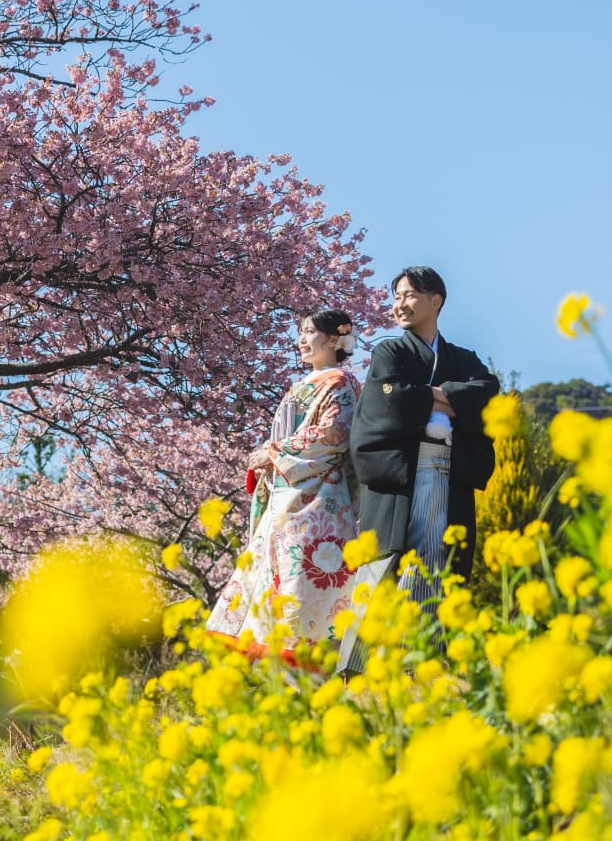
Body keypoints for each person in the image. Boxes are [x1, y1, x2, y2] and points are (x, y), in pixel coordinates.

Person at [206, 309, 361, 662]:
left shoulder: (340, 382)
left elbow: (333, 436)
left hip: (318, 496)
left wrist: (273, 451)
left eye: (310, 332)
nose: (302, 340)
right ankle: (272, 664)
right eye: (301, 332)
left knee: (302, 578)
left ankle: (305, 665)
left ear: (334, 340)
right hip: (288, 492)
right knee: (276, 574)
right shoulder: (304, 384)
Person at [349, 266, 499, 599]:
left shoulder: (463, 358)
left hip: (449, 467)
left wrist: (421, 394)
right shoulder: (389, 353)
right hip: (405, 472)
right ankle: (374, 650)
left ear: (436, 301)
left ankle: (431, 648)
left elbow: (487, 393)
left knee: (441, 565)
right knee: (387, 571)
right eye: (397, 296)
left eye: (409, 295)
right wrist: (453, 401)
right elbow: (390, 400)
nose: (400, 304)